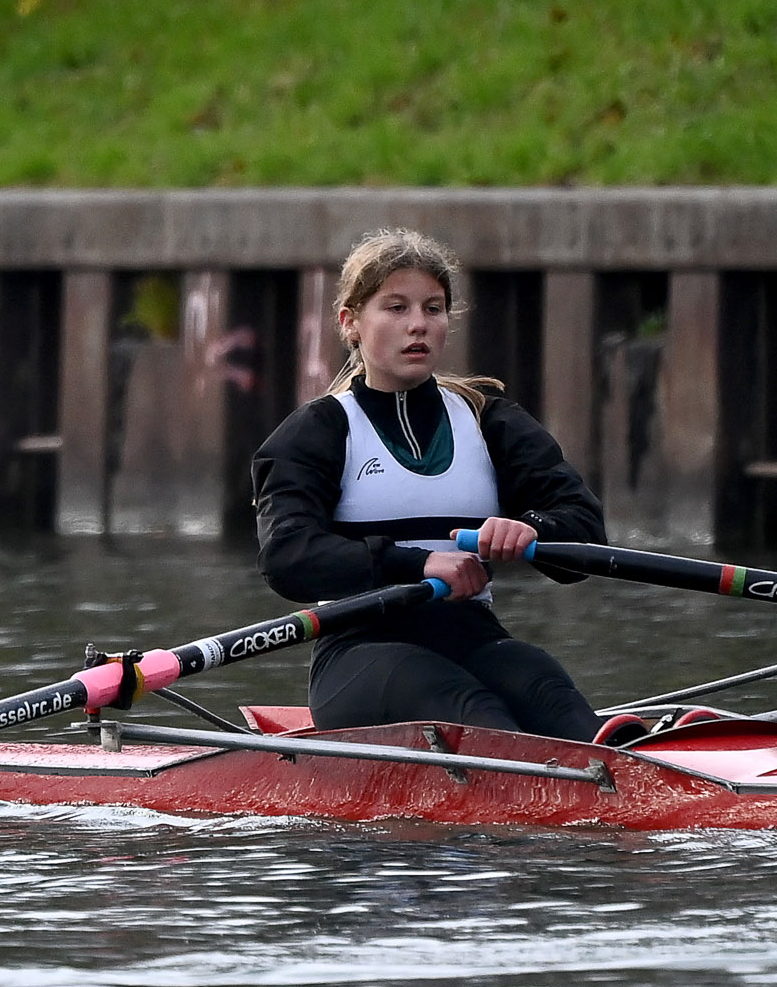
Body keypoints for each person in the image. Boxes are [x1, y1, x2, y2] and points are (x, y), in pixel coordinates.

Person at [251, 228, 647, 746]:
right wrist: (417, 563)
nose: (418, 325)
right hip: (361, 652)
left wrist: (529, 530)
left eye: (433, 309)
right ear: (351, 322)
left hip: (474, 637)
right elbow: (288, 556)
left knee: (552, 695)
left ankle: (633, 787)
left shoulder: (489, 421)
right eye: (395, 308)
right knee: (475, 713)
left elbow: (583, 529)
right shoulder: (318, 431)